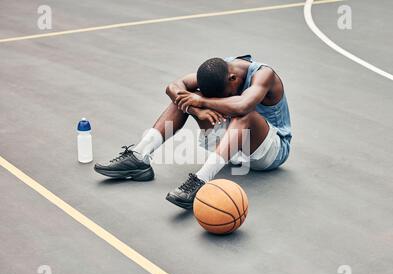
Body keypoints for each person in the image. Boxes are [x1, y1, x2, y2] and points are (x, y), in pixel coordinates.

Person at [94, 54, 292, 209]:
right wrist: (195, 107)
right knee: (185, 98)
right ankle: (140, 156)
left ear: (233, 78)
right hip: (233, 145)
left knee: (242, 113)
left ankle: (201, 181)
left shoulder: (264, 75)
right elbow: (173, 86)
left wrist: (202, 101)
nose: (220, 101)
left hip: (270, 152)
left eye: (225, 95)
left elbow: (242, 105)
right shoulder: (219, 69)